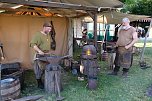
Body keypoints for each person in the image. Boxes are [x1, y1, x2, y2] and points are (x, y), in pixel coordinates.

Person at [30, 22, 53, 89]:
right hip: (39, 55)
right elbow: (32, 44)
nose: (49, 31)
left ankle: (47, 80)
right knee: (38, 70)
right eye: (48, 29)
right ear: (44, 27)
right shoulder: (38, 35)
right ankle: (39, 83)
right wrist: (39, 51)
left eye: (50, 29)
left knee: (46, 68)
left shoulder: (48, 35)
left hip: (47, 55)